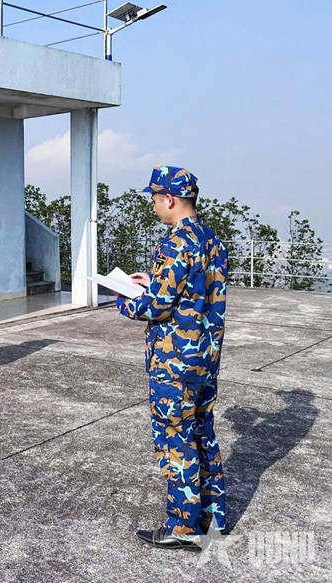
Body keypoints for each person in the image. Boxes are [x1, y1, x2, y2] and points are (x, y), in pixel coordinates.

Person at [116, 166, 228, 550]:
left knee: (175, 441)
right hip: (205, 358)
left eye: (154, 199)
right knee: (202, 434)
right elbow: (192, 291)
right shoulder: (212, 240)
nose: (153, 206)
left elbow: (157, 306)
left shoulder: (175, 243)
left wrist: (123, 298)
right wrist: (152, 282)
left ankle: (182, 528)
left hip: (174, 362)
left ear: (170, 199)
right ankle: (213, 518)